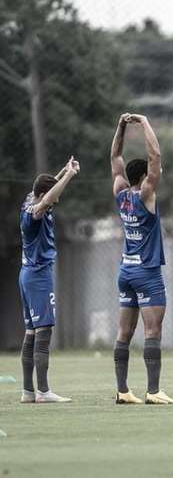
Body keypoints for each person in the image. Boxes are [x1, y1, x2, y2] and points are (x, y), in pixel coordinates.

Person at [110, 113, 173, 405]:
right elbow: (156, 154)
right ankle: (153, 391)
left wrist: (122, 126)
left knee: (124, 332)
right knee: (153, 331)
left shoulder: (120, 193)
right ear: (144, 178)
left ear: (128, 177)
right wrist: (145, 122)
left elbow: (115, 155)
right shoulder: (146, 195)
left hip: (125, 270)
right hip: (147, 273)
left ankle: (123, 390)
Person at [19, 156, 80, 403]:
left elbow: (47, 192)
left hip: (26, 275)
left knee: (31, 332)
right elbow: (48, 198)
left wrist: (63, 171)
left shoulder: (28, 200)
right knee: (44, 331)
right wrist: (69, 176)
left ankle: (27, 391)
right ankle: (43, 392)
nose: (57, 198)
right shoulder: (36, 211)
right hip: (38, 276)